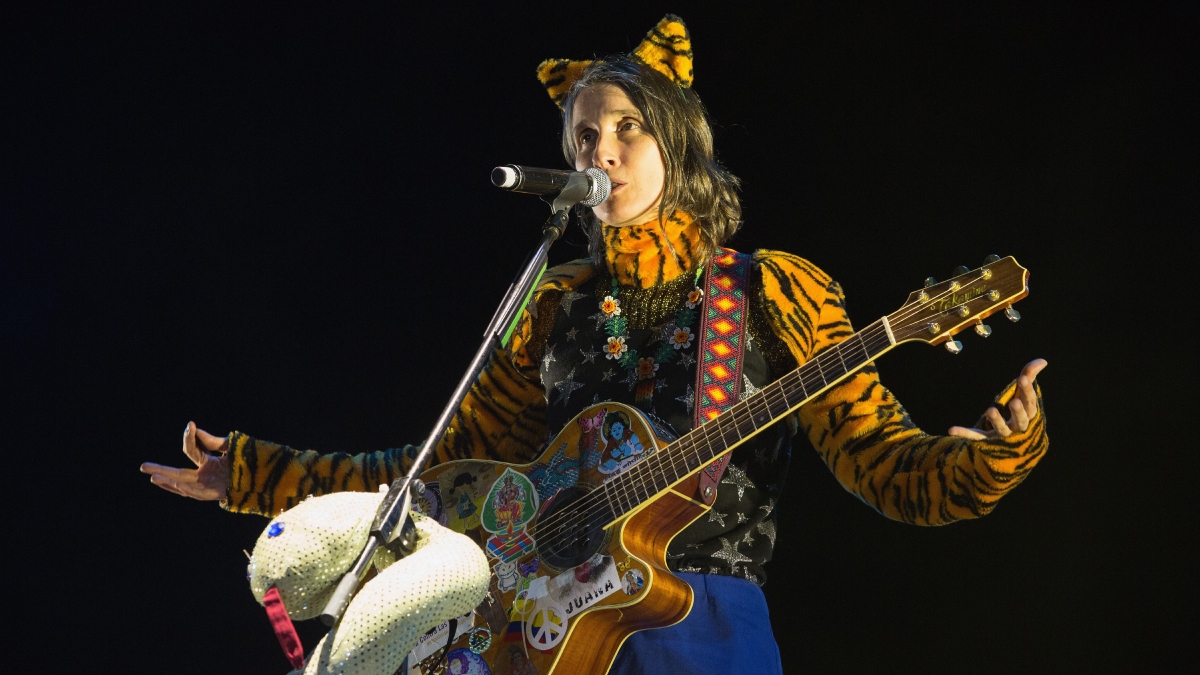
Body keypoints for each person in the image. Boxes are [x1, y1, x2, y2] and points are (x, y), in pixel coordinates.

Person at [141, 15, 1049, 675]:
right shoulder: (553, 300)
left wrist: (989, 458)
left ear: (678, 145)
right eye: (584, 133)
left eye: (627, 128)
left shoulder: (769, 287)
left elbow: (879, 459)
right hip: (544, 637)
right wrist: (256, 475)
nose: (602, 149)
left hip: (702, 624)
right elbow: (442, 468)